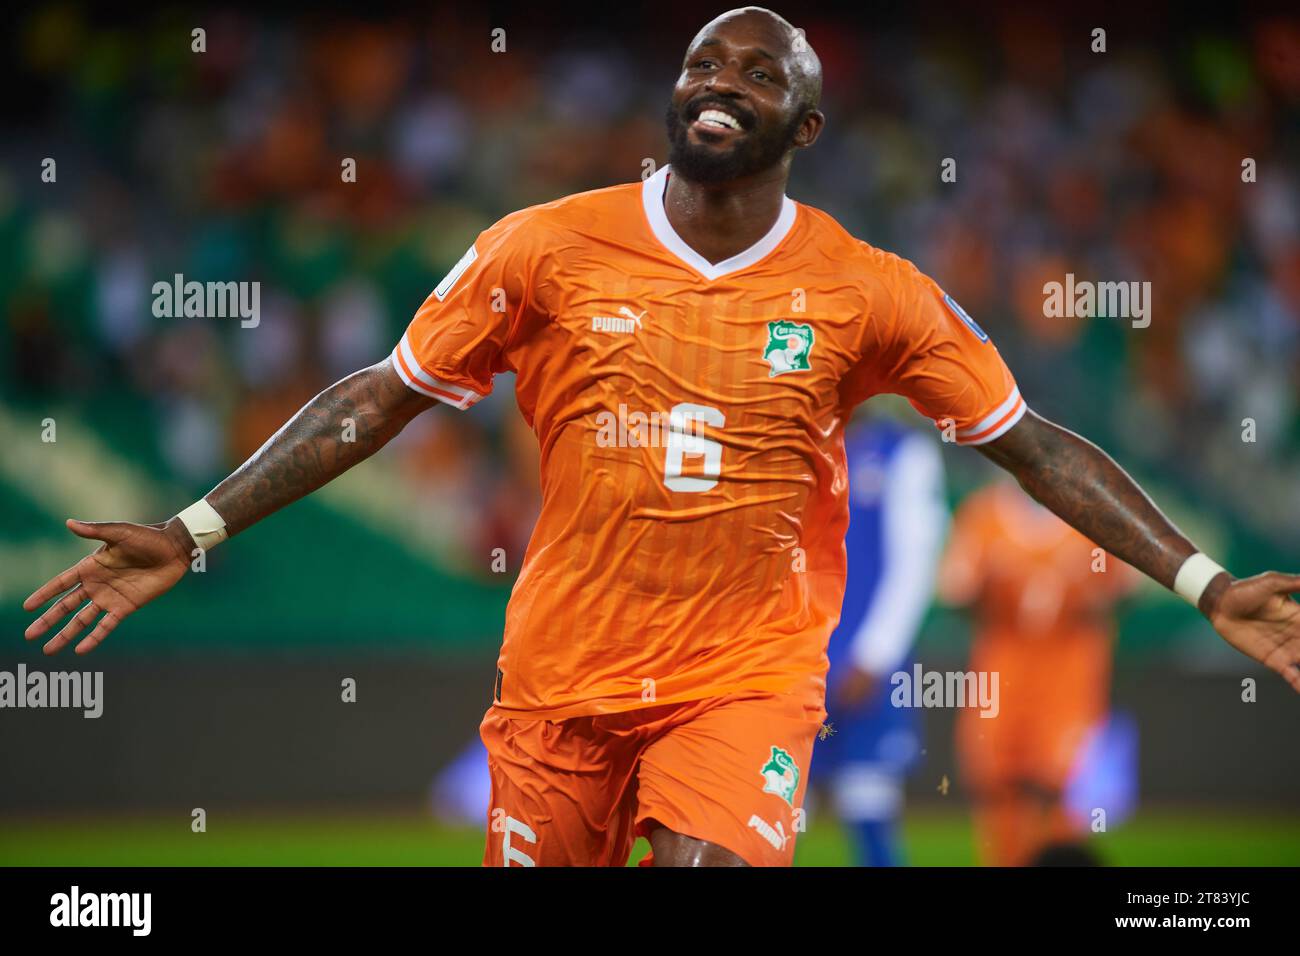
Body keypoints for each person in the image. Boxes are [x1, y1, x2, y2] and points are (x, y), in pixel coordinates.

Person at [22, 7, 1300, 867]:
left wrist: (1203, 581)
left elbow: (1035, 446)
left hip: (743, 681)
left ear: (805, 130)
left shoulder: (870, 291)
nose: (720, 83)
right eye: (704, 64)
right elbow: (377, 396)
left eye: (758, 75)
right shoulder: (542, 246)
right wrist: (192, 529)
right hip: (559, 686)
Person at [939, 480, 1138, 866]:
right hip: (1003, 671)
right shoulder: (983, 514)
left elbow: (1125, 587)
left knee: (1066, 786)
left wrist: (1088, 600)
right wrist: (984, 592)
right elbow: (954, 590)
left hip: (1070, 674)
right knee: (998, 782)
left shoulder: (1092, 513)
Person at [815, 414, 947, 866]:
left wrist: (875, 655)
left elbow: (915, 563)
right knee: (777, 807)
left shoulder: (904, 452)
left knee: (868, 798)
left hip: (863, 663)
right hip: (795, 659)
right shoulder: (798, 438)